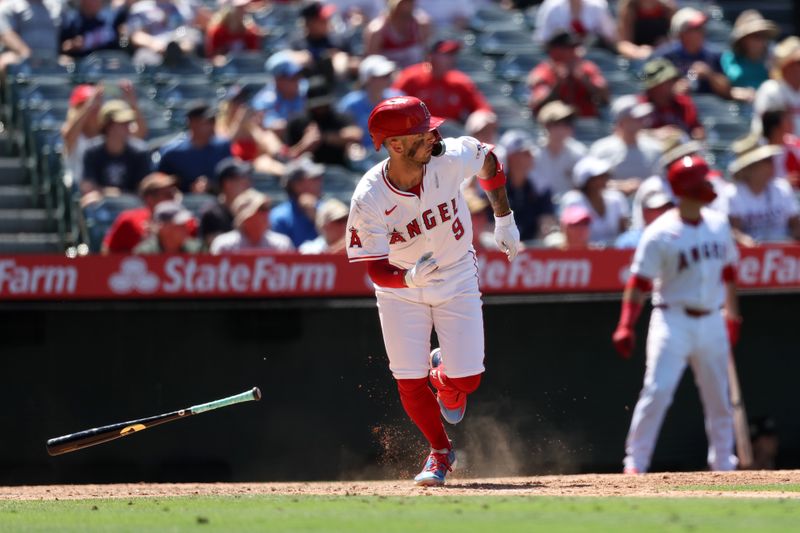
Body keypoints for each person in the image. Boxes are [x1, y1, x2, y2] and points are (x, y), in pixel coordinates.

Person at [346, 95, 520, 486]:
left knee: (469, 380)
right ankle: (440, 453)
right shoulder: (369, 196)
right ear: (395, 145)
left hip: (456, 271)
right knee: (408, 379)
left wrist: (504, 217)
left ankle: (445, 378)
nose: (433, 136)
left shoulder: (448, 156)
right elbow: (374, 268)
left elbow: (488, 158)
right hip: (400, 289)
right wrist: (406, 280)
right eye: (421, 132)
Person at [612, 155, 742, 475]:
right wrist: (626, 324)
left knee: (719, 398)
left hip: (712, 318)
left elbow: (728, 273)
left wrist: (733, 316)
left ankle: (724, 462)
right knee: (658, 390)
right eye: (702, 181)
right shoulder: (660, 232)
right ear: (686, 187)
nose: (709, 186)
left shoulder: (718, 224)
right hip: (672, 320)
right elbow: (638, 281)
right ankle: (636, 463)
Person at [392, 39, 492, 123]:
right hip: (417, 134)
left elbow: (483, 109)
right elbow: (392, 105)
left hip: (451, 136)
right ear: (430, 56)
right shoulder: (411, 77)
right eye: (446, 54)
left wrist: (481, 118)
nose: (451, 59)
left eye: (453, 54)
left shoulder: (460, 81)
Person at [725, 145, 800, 245]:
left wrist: (793, 239)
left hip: (784, 251)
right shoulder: (733, 194)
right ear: (751, 167)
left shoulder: (782, 189)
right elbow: (733, 230)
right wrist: (744, 240)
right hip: (750, 255)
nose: (772, 164)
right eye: (766, 161)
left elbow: (795, 223)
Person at [528, 30, 609, 118]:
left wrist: (585, 81)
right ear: (554, 51)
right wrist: (557, 85)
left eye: (575, 47)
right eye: (569, 48)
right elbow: (535, 105)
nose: (574, 52)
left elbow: (605, 99)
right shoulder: (542, 73)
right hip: (556, 127)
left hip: (587, 125)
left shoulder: (587, 69)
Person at [590, 95, 660, 196]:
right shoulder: (601, 149)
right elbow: (592, 183)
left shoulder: (654, 148)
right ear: (622, 122)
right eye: (636, 118)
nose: (642, 121)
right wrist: (620, 186)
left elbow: (661, 181)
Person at [285, 76, 363, 166]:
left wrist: (325, 137)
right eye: (316, 106)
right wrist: (306, 144)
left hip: (339, 171)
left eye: (323, 104)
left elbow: (356, 134)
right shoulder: (297, 122)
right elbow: (288, 157)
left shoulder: (339, 117)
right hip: (307, 173)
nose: (320, 108)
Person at [81, 100, 152, 199]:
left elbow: (144, 190)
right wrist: (110, 193)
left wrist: (119, 195)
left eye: (129, 122)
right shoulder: (92, 151)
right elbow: (88, 187)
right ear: (108, 125)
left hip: (132, 206)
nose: (129, 127)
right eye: (123, 123)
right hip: (102, 206)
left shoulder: (140, 152)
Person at [157, 101, 232, 193]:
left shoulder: (223, 147)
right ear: (191, 123)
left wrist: (212, 186)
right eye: (207, 122)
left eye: (213, 121)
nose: (212, 125)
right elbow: (159, 185)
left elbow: (231, 179)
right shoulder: (171, 153)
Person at [655, 7, 730, 98]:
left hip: (710, 105)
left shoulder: (714, 55)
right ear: (681, 33)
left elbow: (727, 91)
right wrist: (673, 89)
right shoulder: (665, 56)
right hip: (678, 107)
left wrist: (710, 75)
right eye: (695, 29)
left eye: (701, 27)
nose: (701, 32)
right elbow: (652, 90)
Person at [498, 129, 556, 242]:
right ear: (511, 157)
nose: (531, 157)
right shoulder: (495, 187)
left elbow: (546, 222)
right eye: (525, 154)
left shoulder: (540, 187)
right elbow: (488, 224)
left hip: (534, 246)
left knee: (554, 240)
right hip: (500, 245)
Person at [102, 172, 181, 254]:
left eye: (173, 193)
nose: (172, 198)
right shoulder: (129, 220)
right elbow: (108, 251)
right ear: (149, 198)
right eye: (167, 194)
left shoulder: (182, 220)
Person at [338, 54, 403, 149]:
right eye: (382, 75)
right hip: (364, 156)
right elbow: (343, 131)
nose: (387, 78)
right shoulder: (350, 103)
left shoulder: (398, 99)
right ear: (368, 79)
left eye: (388, 75)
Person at [561, 156, 629, 245]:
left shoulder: (616, 199)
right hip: (583, 255)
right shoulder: (573, 200)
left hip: (614, 255)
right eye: (598, 177)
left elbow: (624, 231)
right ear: (587, 181)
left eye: (605, 175)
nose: (604, 179)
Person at [210, 188, 294, 253]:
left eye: (266, 208)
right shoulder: (224, 245)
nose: (267, 213)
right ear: (246, 218)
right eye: (261, 209)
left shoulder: (282, 245)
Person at [531, 100, 587, 196]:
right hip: (539, 206)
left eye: (567, 123)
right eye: (558, 124)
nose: (564, 129)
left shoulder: (579, 152)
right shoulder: (533, 153)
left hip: (570, 207)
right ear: (546, 126)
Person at [721, 10, 779, 103]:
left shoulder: (772, 59)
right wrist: (734, 93)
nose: (760, 41)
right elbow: (720, 87)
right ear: (743, 40)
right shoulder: (729, 58)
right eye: (755, 36)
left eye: (763, 36)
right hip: (734, 109)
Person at [640, 58, 704, 140]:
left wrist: (698, 134)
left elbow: (697, 130)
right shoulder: (639, 106)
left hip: (681, 149)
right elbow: (627, 134)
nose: (673, 84)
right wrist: (654, 133)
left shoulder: (684, 104)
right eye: (667, 82)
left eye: (673, 80)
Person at [270, 155, 324, 248]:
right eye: (314, 179)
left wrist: (318, 218)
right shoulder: (279, 217)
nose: (320, 182)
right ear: (297, 185)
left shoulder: (328, 211)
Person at [126, 0, 202, 66]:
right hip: (153, 51)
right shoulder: (141, 8)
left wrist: (182, 46)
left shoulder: (184, 9)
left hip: (179, 49)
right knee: (144, 56)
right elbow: (137, 36)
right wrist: (155, 44)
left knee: (192, 36)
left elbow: (189, 32)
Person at [291, 1, 350, 84]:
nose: (327, 21)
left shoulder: (337, 40)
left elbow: (356, 63)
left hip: (335, 86)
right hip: (308, 88)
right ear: (309, 23)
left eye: (327, 19)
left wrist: (340, 60)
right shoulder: (297, 43)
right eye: (321, 20)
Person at [199, 157, 253, 249]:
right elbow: (213, 248)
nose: (248, 182)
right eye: (242, 177)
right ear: (227, 183)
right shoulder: (211, 213)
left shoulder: (253, 209)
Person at [362, 0, 431, 69]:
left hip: (414, 76)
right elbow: (372, 65)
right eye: (403, 2)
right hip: (389, 78)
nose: (408, 5)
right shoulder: (377, 31)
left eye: (410, 1)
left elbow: (427, 57)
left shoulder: (421, 26)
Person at [252, 50, 308, 133]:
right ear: (278, 80)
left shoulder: (304, 90)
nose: (298, 81)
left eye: (298, 76)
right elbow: (269, 127)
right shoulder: (265, 99)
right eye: (293, 78)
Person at [753, 37, 800, 136]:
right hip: (776, 149)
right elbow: (766, 133)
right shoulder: (770, 90)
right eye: (798, 63)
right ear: (786, 66)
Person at [0, 0, 61, 73]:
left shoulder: (55, 7)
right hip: (21, 67)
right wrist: (29, 56)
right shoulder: (9, 7)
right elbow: (5, 33)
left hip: (52, 66)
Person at [60, 0, 127, 59]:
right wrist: (74, 44)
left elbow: (117, 43)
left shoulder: (109, 19)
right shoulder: (72, 21)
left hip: (106, 65)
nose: (95, 2)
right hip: (80, 66)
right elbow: (63, 47)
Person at [204, 0, 261, 64]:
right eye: (239, 8)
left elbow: (254, 55)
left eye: (243, 7)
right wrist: (219, 59)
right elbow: (212, 56)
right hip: (225, 71)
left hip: (245, 68)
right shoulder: (217, 31)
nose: (243, 11)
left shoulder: (249, 30)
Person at [134, 201, 202, 254]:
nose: (186, 228)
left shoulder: (197, 250)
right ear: (163, 227)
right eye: (179, 225)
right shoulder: (144, 253)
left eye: (184, 224)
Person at [761, 108, 800, 188]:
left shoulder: (795, 145)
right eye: (787, 121)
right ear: (775, 128)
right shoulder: (758, 151)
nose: (791, 123)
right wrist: (783, 183)